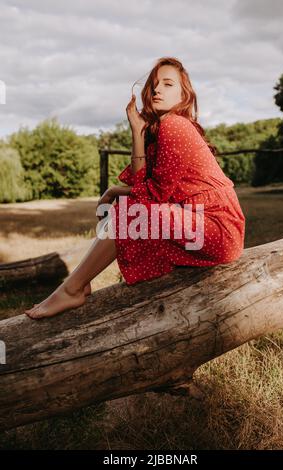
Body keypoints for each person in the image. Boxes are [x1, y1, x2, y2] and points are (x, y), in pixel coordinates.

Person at [25, 57, 245, 320]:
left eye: (167, 84)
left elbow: (155, 195)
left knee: (134, 210)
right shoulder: (160, 130)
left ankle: (72, 288)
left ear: (184, 94)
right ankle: (75, 287)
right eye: (153, 84)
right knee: (134, 210)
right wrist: (137, 132)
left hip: (217, 227)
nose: (157, 90)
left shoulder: (175, 125)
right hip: (200, 223)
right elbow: (142, 185)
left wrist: (115, 191)